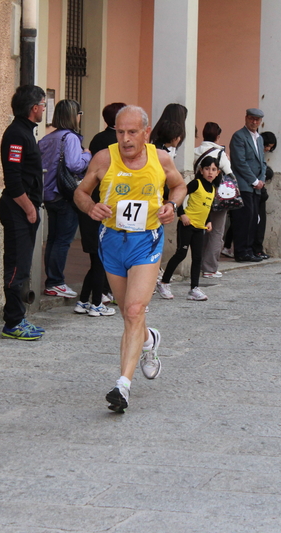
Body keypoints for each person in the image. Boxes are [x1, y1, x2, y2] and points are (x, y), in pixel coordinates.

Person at [74, 105, 186, 413]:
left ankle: (122, 385)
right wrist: (89, 207)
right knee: (128, 313)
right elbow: (81, 192)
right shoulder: (104, 158)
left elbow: (179, 186)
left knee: (136, 309)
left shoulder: (160, 159)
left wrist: (172, 206)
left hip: (145, 241)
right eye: (121, 132)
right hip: (112, 242)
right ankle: (149, 338)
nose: (125, 139)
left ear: (146, 133)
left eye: (132, 132)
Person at [0, 85, 48, 340]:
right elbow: (13, 180)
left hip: (25, 209)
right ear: (34, 108)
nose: (44, 109)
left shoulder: (26, 132)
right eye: (43, 104)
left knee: (23, 266)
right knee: (17, 267)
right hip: (18, 209)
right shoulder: (17, 134)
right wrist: (29, 210)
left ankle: (18, 318)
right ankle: (13, 322)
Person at [74, 102, 127, 317]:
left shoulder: (97, 139)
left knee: (96, 257)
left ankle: (83, 300)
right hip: (104, 206)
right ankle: (96, 302)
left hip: (91, 205)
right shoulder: (118, 144)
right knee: (102, 258)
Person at [38, 100, 92, 298]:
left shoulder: (47, 138)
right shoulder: (70, 138)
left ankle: (52, 280)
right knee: (62, 241)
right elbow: (75, 165)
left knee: (53, 239)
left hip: (49, 193)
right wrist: (87, 156)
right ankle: (55, 281)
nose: (80, 116)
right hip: (64, 194)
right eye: (80, 113)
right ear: (73, 115)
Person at [157, 155, 218, 301]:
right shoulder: (196, 183)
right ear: (201, 170)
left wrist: (208, 221)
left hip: (199, 227)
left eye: (214, 169)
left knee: (197, 257)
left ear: (218, 173)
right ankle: (164, 282)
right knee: (181, 254)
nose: (210, 172)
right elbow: (181, 195)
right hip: (187, 225)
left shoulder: (213, 189)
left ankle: (194, 289)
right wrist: (182, 214)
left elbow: (207, 208)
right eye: (207, 169)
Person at [194, 122, 233, 278]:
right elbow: (230, 174)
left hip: (198, 194)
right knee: (216, 231)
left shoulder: (195, 151)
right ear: (218, 137)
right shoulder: (220, 153)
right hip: (217, 196)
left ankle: (198, 264)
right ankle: (210, 268)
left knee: (200, 229)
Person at [229, 108, 267, 262]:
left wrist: (262, 179)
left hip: (256, 186)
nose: (254, 122)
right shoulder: (239, 136)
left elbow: (262, 162)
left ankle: (249, 250)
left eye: (257, 120)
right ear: (246, 118)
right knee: (244, 219)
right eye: (251, 119)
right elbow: (240, 162)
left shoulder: (259, 138)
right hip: (244, 184)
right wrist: (254, 180)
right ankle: (241, 251)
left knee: (253, 219)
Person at [252, 131, 277, 259]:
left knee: (260, 222)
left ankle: (257, 249)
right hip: (253, 189)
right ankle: (254, 249)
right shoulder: (255, 154)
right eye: (267, 146)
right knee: (255, 222)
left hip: (259, 190)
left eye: (270, 147)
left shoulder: (261, 156)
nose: (268, 149)